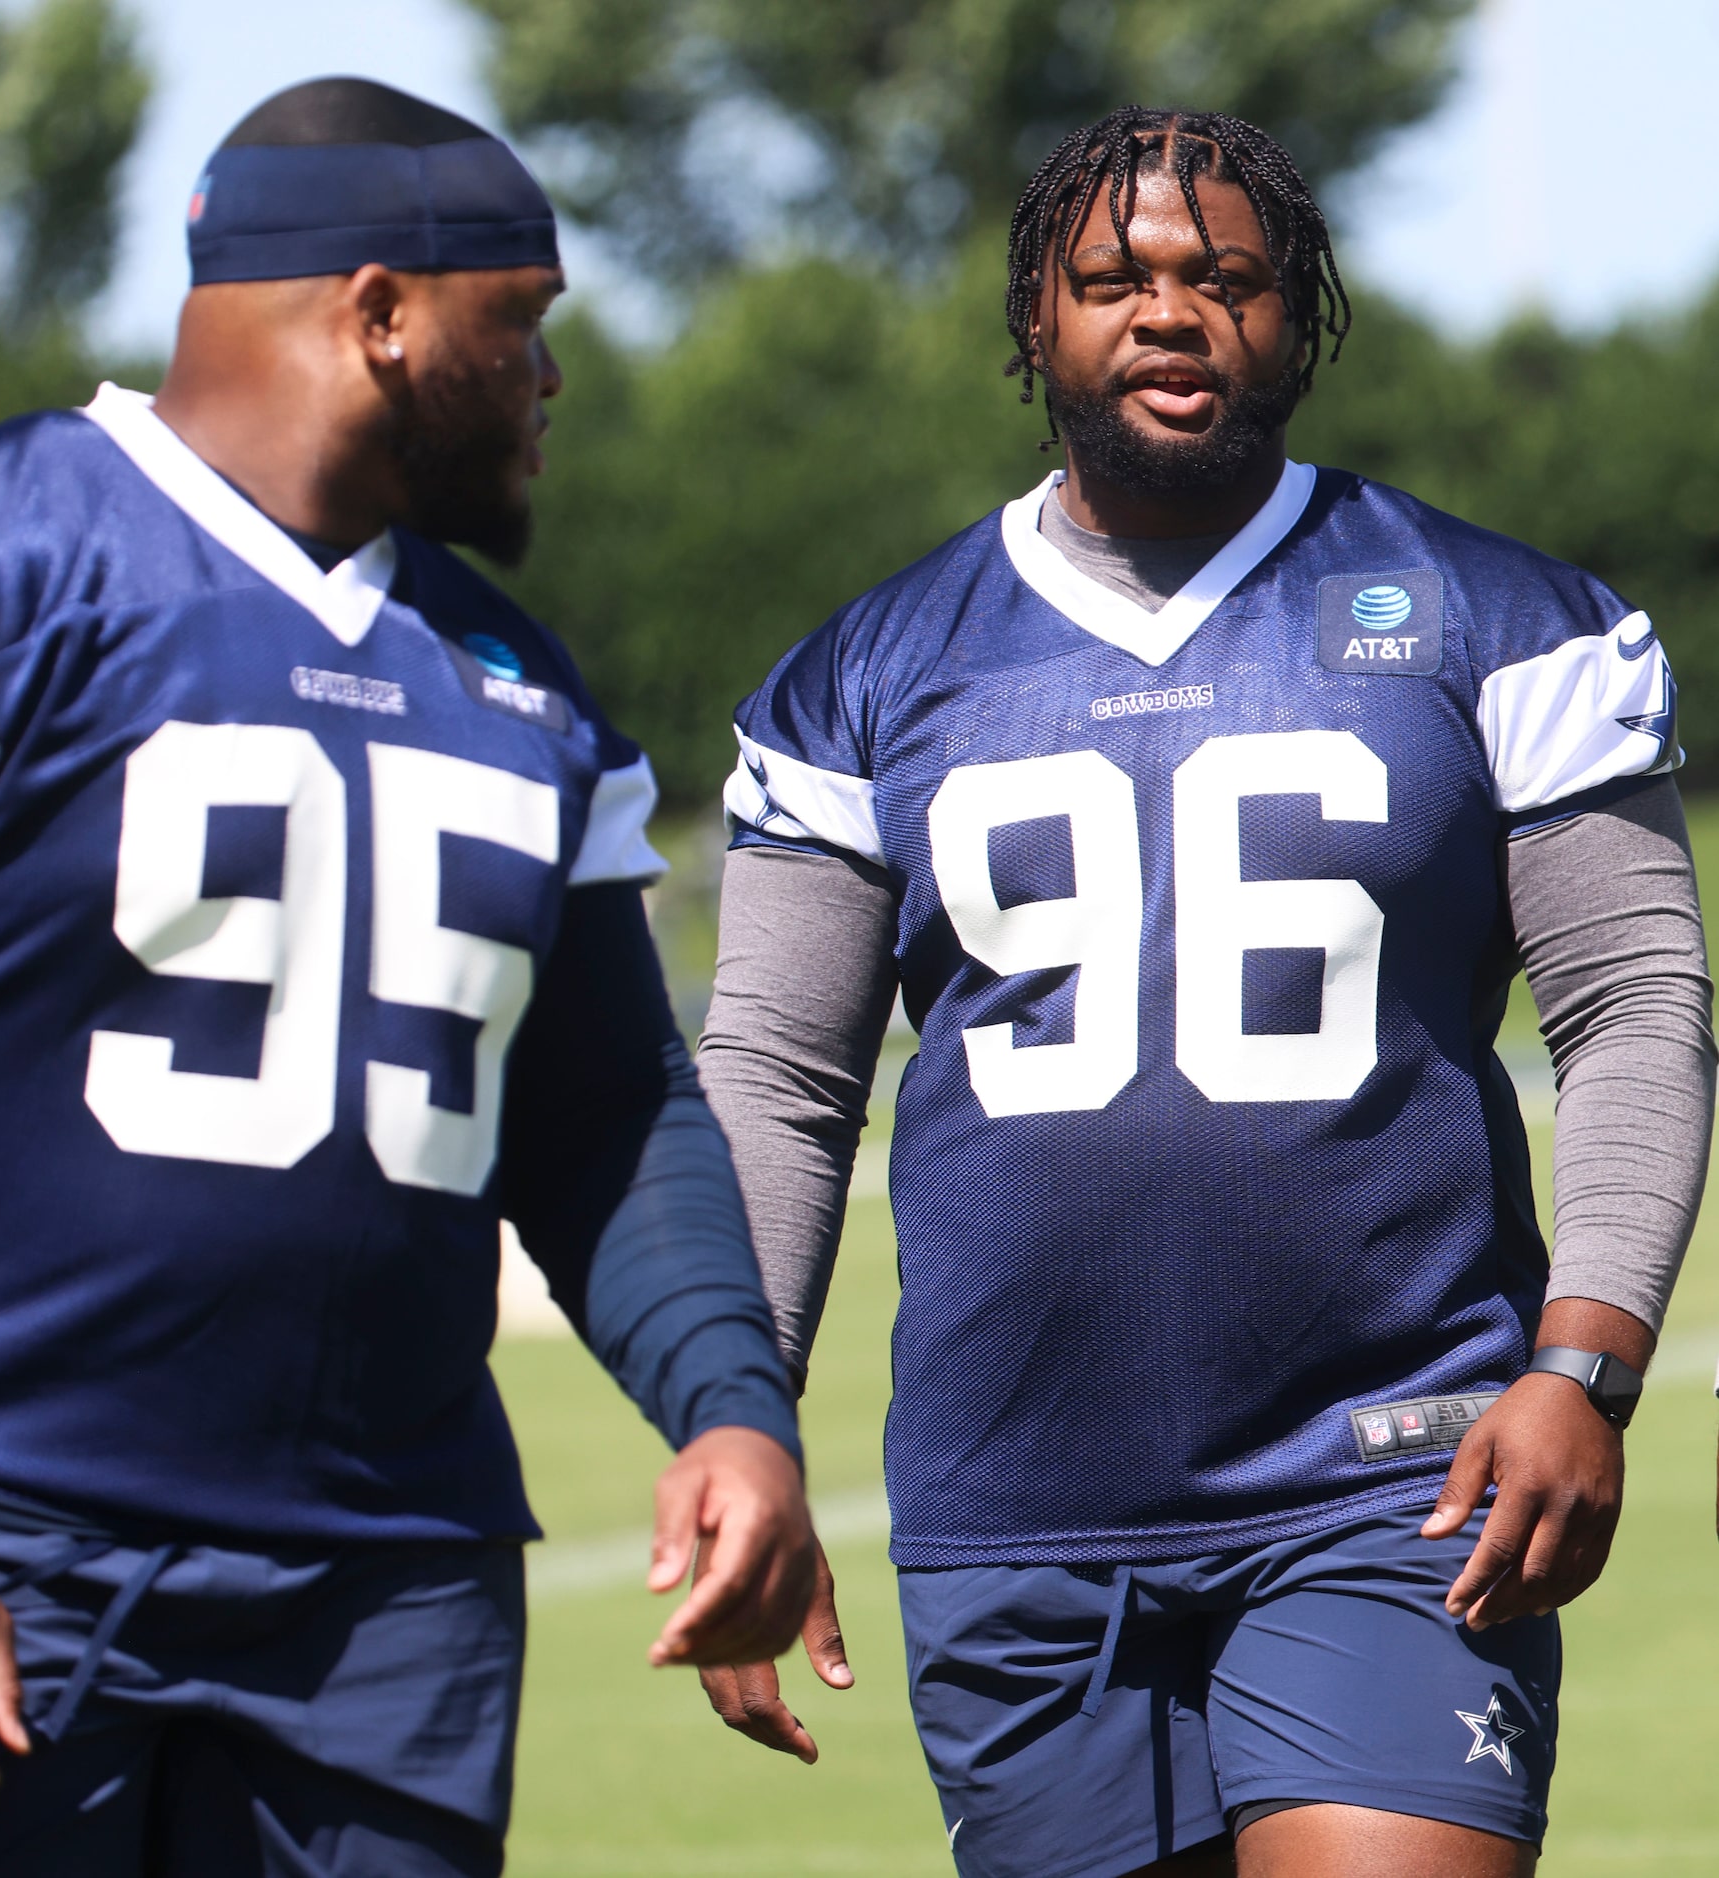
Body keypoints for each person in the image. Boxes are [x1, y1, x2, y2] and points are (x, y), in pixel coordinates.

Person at [0, 78, 814, 1878]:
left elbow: (604, 1112)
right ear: (379, 313)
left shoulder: (521, 683)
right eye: (524, 329)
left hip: (381, 1605)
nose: (551, 383)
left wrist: (728, 1405)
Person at [694, 106, 1714, 1878]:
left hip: (1393, 1478)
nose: (1171, 311)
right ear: (1037, 321)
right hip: (1014, 1505)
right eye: (1115, 279)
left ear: (1297, 319)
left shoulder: (1501, 617)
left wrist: (1587, 1365)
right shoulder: (864, 672)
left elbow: (1632, 1000)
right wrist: (734, 1419)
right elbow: (778, 1077)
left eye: (1225, 278)